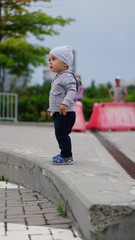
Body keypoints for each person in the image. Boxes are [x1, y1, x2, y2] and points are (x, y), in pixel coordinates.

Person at [48, 46, 77, 165]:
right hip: (59, 113)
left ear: (65, 63)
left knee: (62, 134)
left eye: (54, 59)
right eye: (49, 60)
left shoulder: (67, 76)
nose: (50, 62)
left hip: (65, 112)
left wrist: (65, 103)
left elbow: (72, 90)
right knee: (60, 134)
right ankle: (63, 153)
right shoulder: (59, 77)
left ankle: (66, 156)